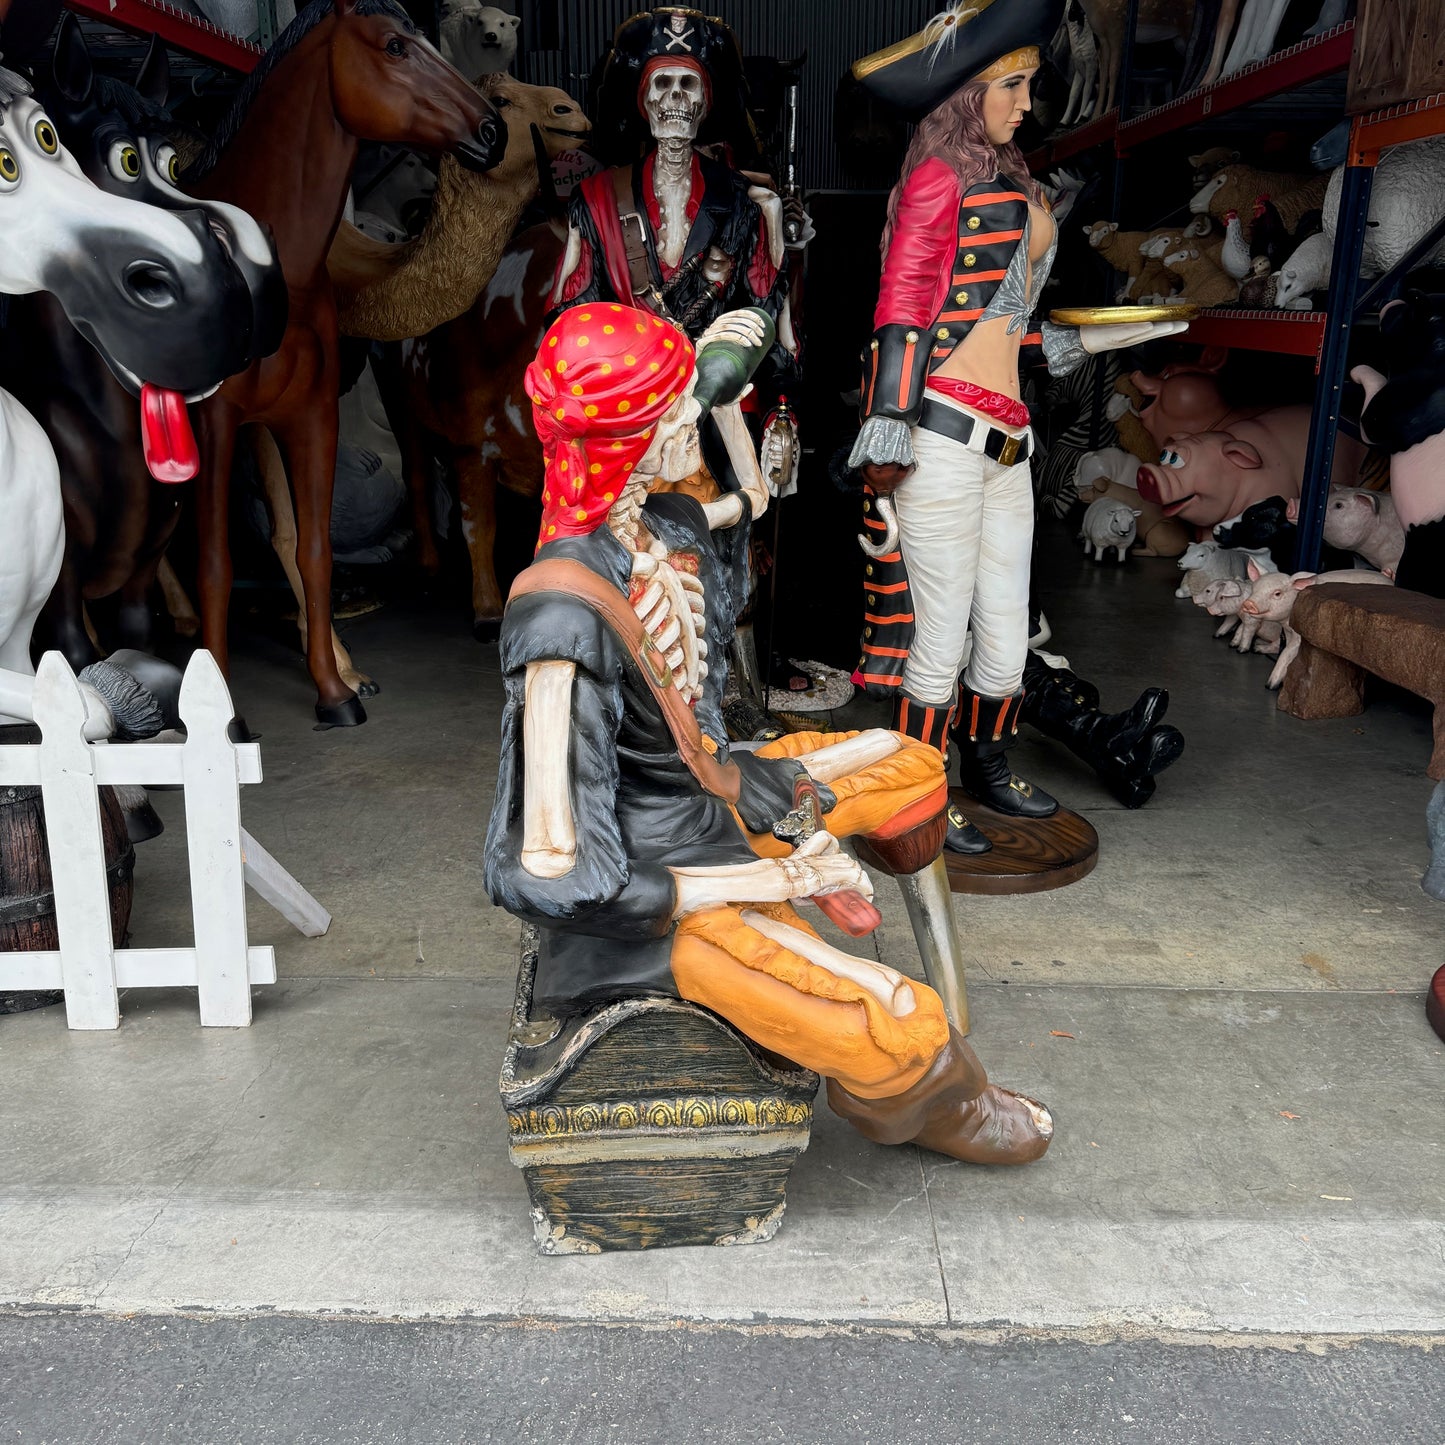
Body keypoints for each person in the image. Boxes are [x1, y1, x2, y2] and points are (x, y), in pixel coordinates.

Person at [482, 302, 1053, 1167]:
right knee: (897, 1023)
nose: (693, 421)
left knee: (913, 764)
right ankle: (932, 1093)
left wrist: (717, 385)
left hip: (715, 794)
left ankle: (849, 916)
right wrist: (775, 874)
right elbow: (548, 870)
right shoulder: (559, 620)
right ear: (627, 438)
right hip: (655, 899)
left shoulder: (660, 524)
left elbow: (751, 495)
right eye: (673, 406)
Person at [848, 2, 1188, 852]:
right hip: (941, 436)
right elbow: (905, 307)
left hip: (1009, 439)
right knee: (938, 636)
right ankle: (915, 794)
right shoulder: (938, 179)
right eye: (1013, 84)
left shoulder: (1015, 179)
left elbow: (1006, 328)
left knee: (1005, 632)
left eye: (1028, 83)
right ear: (967, 92)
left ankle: (987, 768)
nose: (1027, 101)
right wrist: (886, 424)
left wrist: (1115, 332)